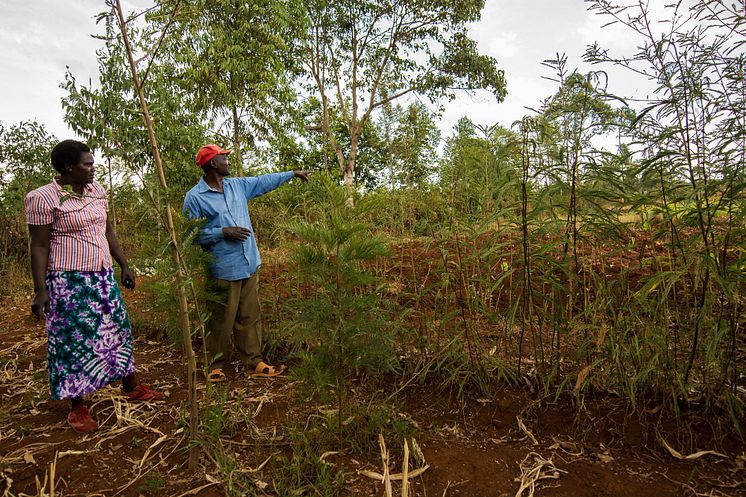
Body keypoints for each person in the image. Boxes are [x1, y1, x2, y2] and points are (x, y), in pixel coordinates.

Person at [25, 140, 163, 433]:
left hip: (102, 275)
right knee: (73, 341)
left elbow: (107, 229)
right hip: (68, 281)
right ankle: (78, 407)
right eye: (87, 164)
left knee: (119, 328)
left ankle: (131, 387)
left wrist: (123, 264)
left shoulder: (96, 191)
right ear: (68, 167)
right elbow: (38, 245)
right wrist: (40, 289)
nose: (92, 168)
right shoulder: (42, 198)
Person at [183, 144, 309, 382]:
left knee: (250, 316)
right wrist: (222, 232)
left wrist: (292, 174)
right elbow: (190, 236)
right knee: (220, 319)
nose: (228, 161)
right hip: (222, 267)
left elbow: (264, 181)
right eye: (224, 158)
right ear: (212, 163)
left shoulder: (237, 186)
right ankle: (214, 365)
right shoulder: (195, 198)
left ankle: (254, 362)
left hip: (248, 262)